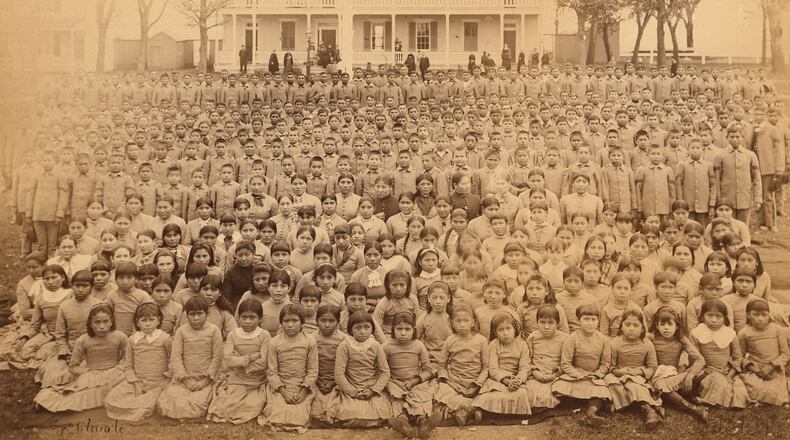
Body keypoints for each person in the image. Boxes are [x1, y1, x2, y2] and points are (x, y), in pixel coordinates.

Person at [35, 303, 127, 412]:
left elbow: (128, 359)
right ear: (90, 323)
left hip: (114, 373)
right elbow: (73, 366)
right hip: (91, 375)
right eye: (97, 322)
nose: (102, 326)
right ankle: (50, 400)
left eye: (106, 321)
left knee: (120, 385)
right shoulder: (83, 340)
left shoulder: (121, 337)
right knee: (87, 392)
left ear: (111, 322)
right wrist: (87, 371)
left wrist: (118, 369)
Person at [157, 296, 223, 420]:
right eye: (192, 314)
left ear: (207, 313)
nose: (196, 318)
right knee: (171, 400)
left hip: (206, 378)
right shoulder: (181, 331)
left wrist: (205, 381)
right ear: (186, 315)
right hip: (184, 378)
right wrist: (185, 380)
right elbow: (176, 357)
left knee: (197, 403)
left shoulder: (214, 331)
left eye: (200, 314)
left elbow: (217, 357)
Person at [104, 302, 172, 421]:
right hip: (138, 381)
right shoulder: (132, 340)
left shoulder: (165, 339)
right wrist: (134, 380)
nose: (147, 324)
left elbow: (173, 361)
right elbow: (128, 365)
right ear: (137, 322)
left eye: (151, 320)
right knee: (112, 398)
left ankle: (144, 407)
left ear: (158, 320)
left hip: (158, 383)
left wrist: (167, 378)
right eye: (143, 320)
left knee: (146, 406)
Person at [328, 310, 396, 427]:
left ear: (372, 329)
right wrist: (352, 392)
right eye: (357, 328)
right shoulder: (344, 346)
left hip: (371, 387)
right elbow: (339, 374)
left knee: (381, 410)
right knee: (350, 411)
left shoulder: (376, 346)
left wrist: (373, 390)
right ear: (350, 330)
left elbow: (385, 372)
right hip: (351, 387)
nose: (363, 331)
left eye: (367, 327)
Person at [551, 304, 612, 428]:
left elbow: (606, 363)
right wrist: (579, 375)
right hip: (576, 375)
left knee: (603, 390)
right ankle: (582, 405)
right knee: (559, 386)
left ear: (598, 321)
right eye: (586, 319)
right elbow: (565, 363)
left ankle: (591, 412)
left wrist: (597, 374)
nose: (590, 323)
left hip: (594, 376)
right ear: (579, 320)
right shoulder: (572, 338)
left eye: (593, 319)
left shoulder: (603, 340)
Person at [258, 304, 318, 429]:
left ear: (302, 322)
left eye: (294, 321)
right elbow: (272, 372)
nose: (290, 325)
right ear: (281, 323)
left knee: (300, 415)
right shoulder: (274, 342)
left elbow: (312, 371)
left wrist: (304, 390)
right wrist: (283, 392)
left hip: (302, 385)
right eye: (286, 321)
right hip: (281, 386)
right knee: (278, 414)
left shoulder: (310, 341)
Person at [383, 311, 437, 438]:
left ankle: (424, 422)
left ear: (414, 330)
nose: (403, 333)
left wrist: (415, 381)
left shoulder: (418, 346)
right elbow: (381, 369)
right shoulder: (386, 346)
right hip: (394, 381)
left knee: (421, 395)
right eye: (399, 329)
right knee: (395, 397)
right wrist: (391, 382)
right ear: (393, 329)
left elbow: (428, 370)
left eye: (407, 329)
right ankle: (403, 422)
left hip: (414, 381)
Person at [433, 303, 488, 427]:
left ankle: (463, 411)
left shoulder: (481, 340)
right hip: (454, 382)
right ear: (452, 323)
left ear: (473, 322)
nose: (462, 324)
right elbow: (442, 366)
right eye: (458, 321)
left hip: (474, 382)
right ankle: (469, 411)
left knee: (487, 393)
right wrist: (449, 382)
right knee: (442, 392)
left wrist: (477, 385)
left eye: (466, 320)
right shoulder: (450, 340)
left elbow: (485, 368)